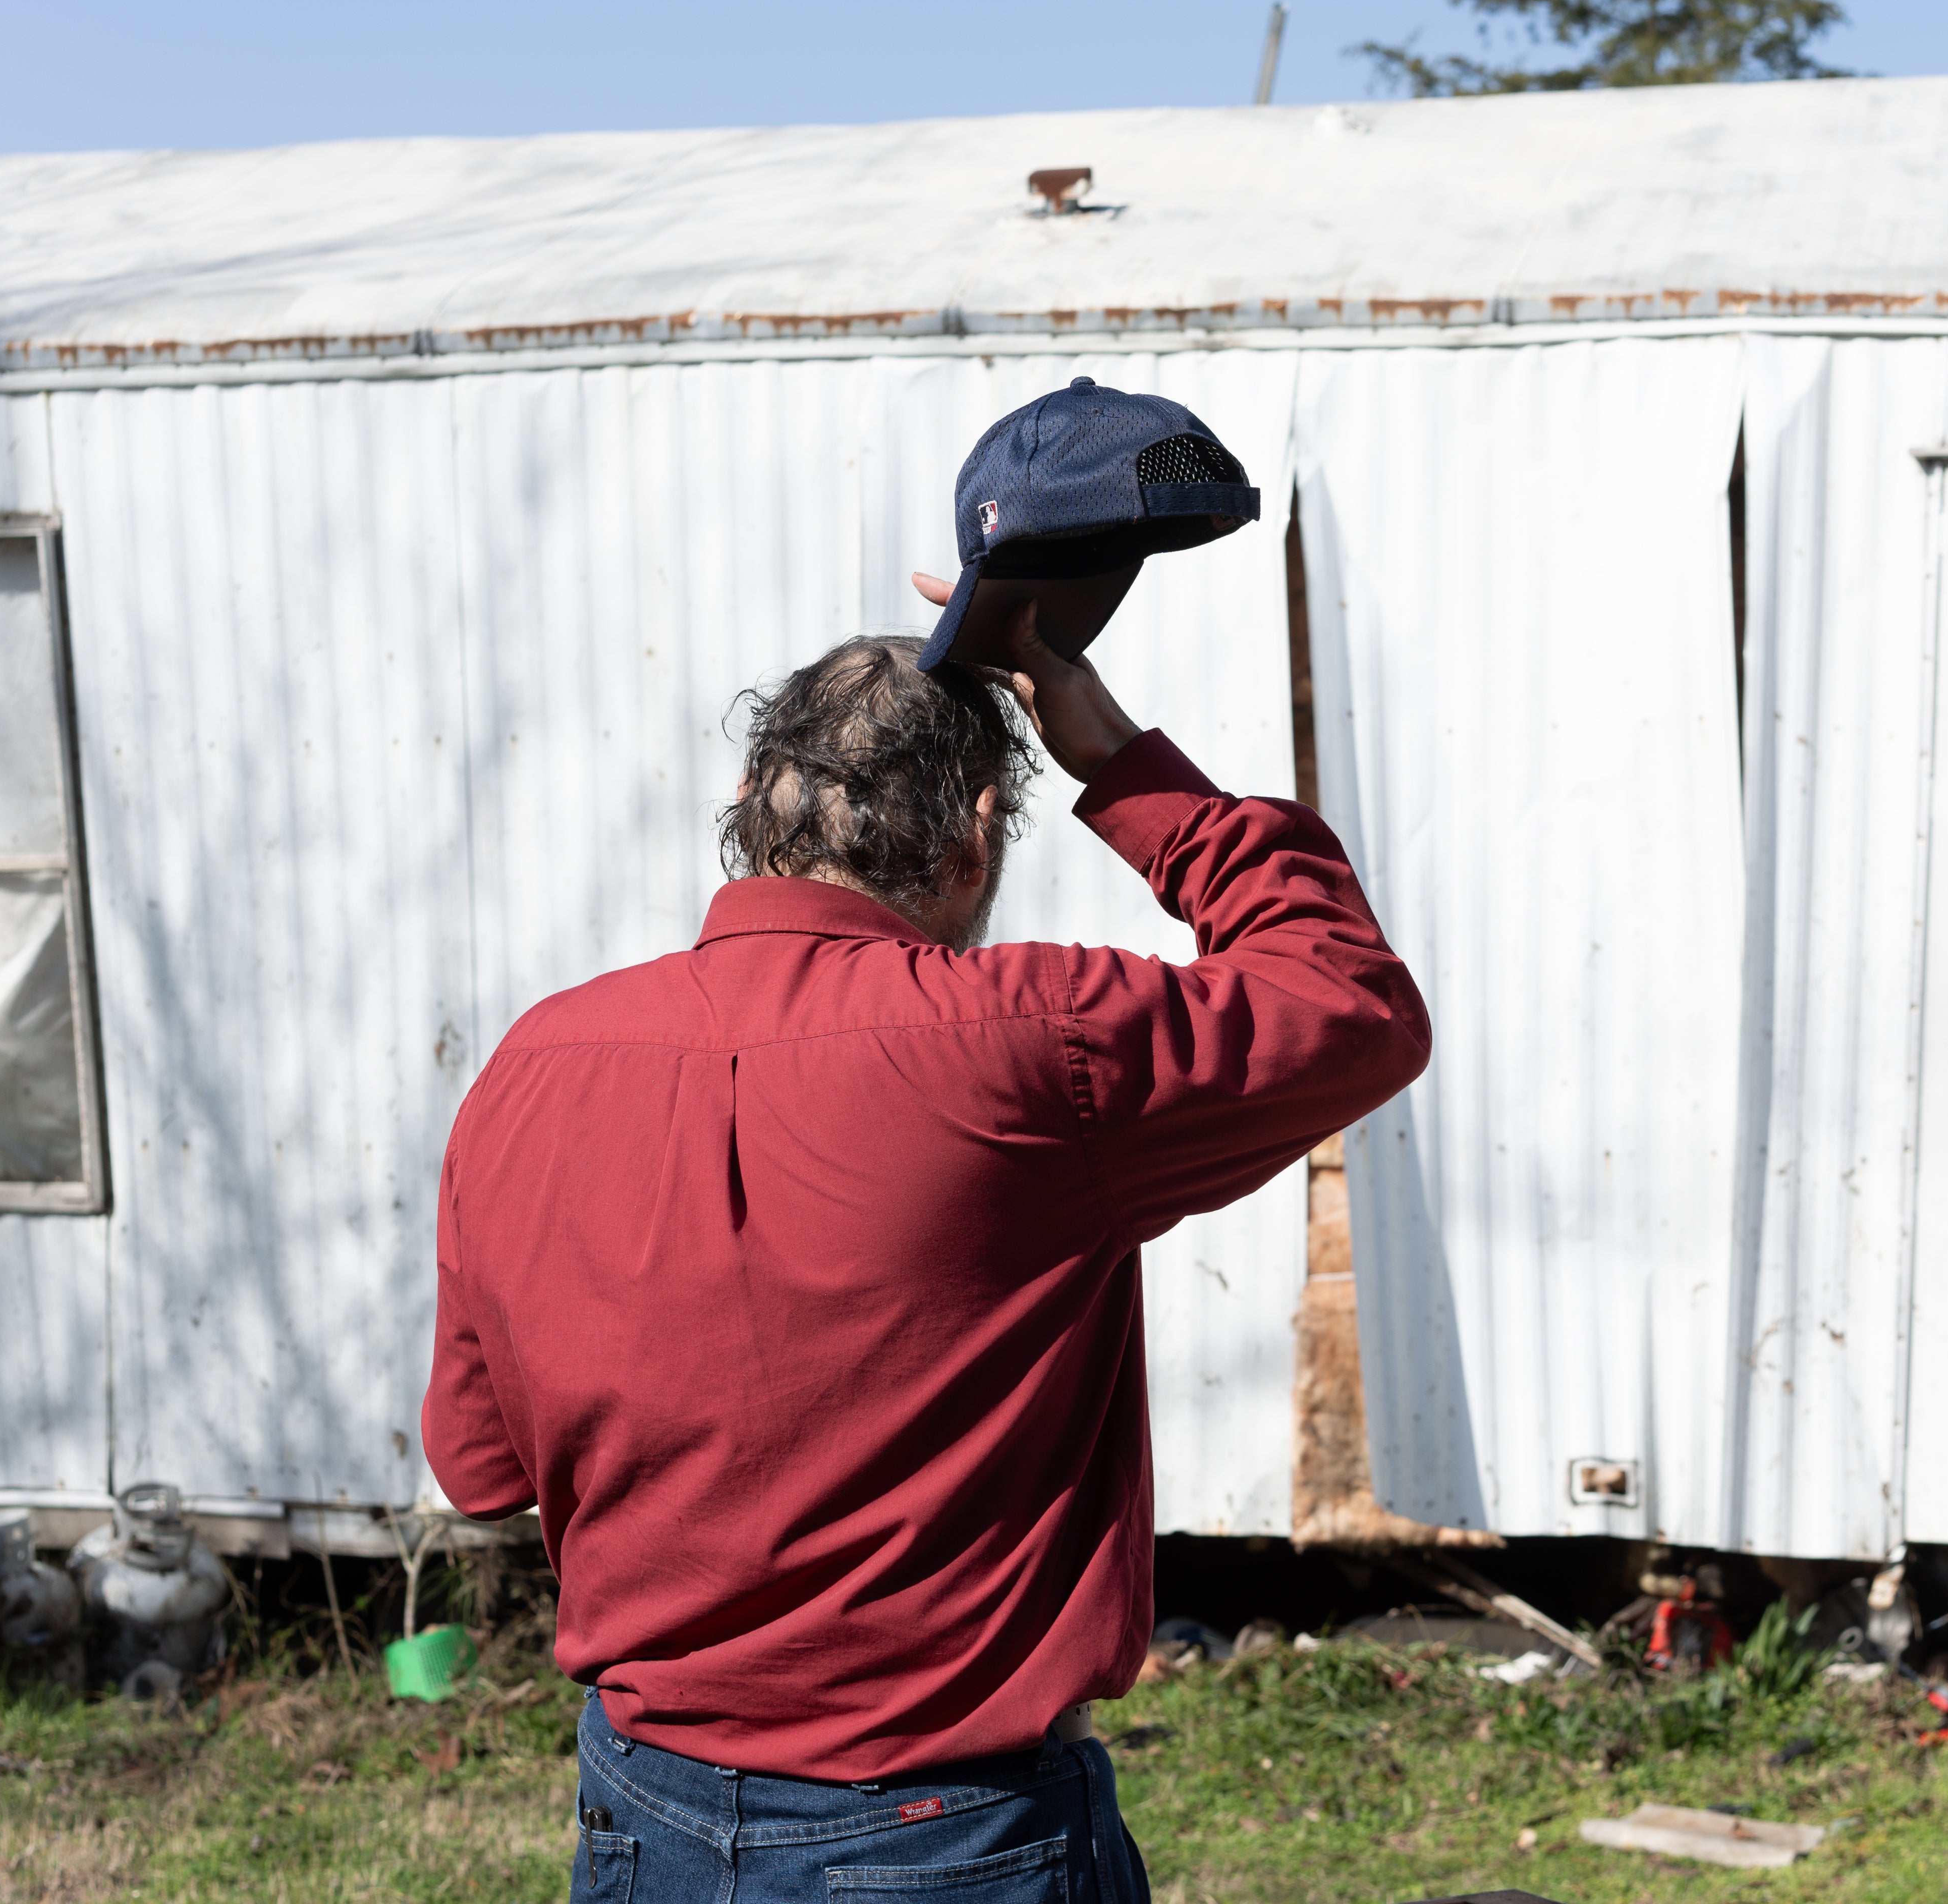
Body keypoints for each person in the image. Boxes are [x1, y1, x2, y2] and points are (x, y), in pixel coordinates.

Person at [420, 586, 1431, 1904]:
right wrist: (1115, 753)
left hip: (645, 1813)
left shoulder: (532, 1066)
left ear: (748, 806)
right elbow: (1350, 999)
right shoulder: (1027, 1044)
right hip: (947, 1835)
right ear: (979, 833)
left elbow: (479, 1469)